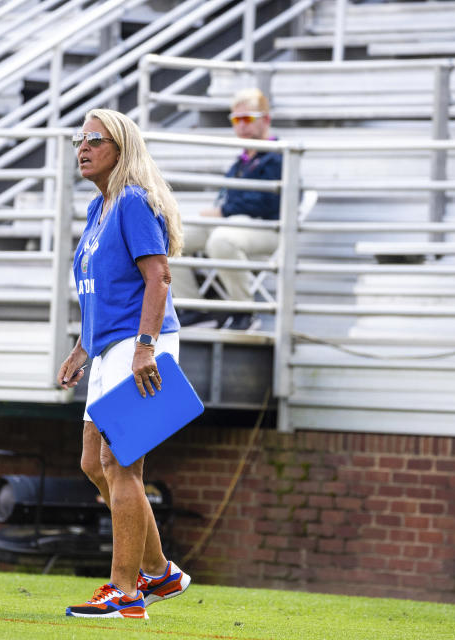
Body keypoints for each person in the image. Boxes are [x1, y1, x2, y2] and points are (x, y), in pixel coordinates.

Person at [56, 108, 192, 619]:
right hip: (108, 347)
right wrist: (81, 346)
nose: (83, 148)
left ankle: (126, 592)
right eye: (79, 140)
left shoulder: (133, 201)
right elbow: (105, 290)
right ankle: (159, 572)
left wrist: (145, 347)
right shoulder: (101, 207)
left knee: (122, 465)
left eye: (95, 139)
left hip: (141, 346)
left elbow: (158, 278)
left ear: (121, 147)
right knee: (95, 464)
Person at [170, 87, 282, 331]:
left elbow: (268, 204)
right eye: (236, 119)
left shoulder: (279, 156)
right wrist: (225, 213)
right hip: (233, 224)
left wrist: (223, 212)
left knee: (222, 240)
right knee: (168, 238)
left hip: (268, 227)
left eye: (247, 118)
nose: (241, 125)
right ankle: (193, 307)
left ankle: (245, 312)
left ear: (266, 119)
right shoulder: (241, 161)